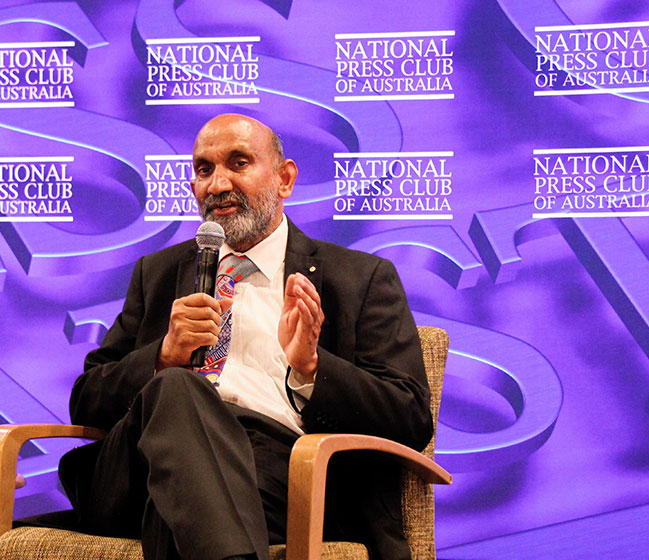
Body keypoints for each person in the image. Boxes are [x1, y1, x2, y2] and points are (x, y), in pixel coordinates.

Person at [59, 114, 432, 560]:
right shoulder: (157, 273)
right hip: (139, 465)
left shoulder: (358, 278)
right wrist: (162, 356)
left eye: (238, 163)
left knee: (180, 502)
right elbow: (86, 401)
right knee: (176, 388)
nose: (218, 185)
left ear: (284, 179)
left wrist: (312, 368)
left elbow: (410, 417)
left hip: (285, 469)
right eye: (204, 170)